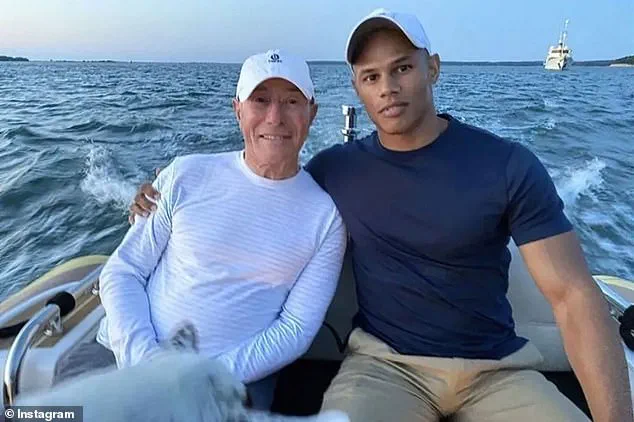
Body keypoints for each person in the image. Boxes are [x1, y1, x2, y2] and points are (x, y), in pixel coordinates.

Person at [129, 9, 632, 422]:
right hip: (384, 367)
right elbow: (262, 186)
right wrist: (160, 194)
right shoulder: (335, 171)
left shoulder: (507, 165)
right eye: (371, 76)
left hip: (499, 369)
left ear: (433, 68)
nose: (387, 87)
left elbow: (573, 297)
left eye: (402, 68)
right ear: (357, 87)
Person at [63, 49, 347, 412]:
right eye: (260, 100)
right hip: (122, 355)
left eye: (292, 101)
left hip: (233, 381)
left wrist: (202, 377)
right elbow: (124, 270)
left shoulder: (326, 218)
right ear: (237, 110)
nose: (275, 117)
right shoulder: (185, 174)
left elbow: (295, 327)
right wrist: (147, 362)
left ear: (312, 113)